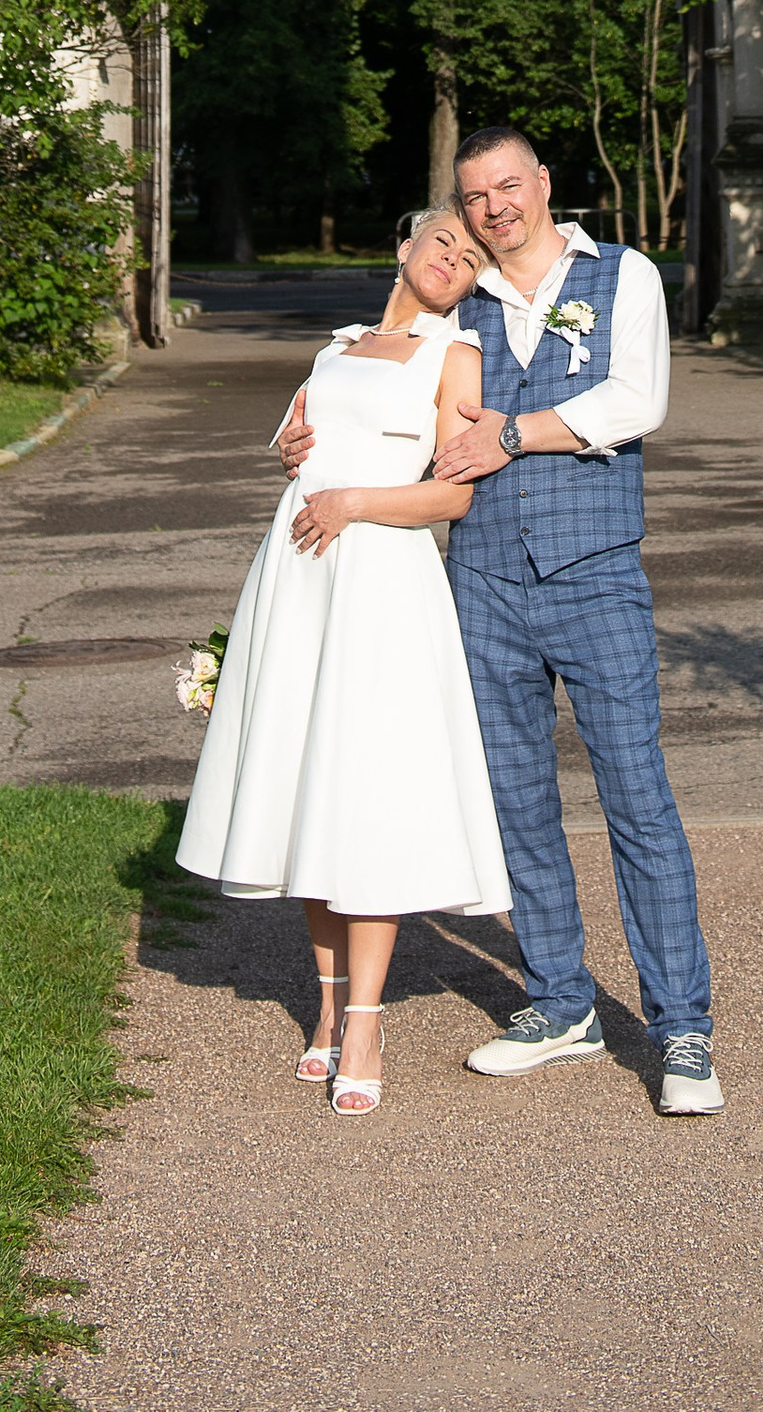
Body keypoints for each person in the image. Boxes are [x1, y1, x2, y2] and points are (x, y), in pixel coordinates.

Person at [297, 123, 721, 1117]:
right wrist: (307, 440)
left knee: (638, 799)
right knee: (516, 801)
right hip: (481, 580)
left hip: (596, 570)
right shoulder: (461, 305)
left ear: (541, 184)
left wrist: (513, 436)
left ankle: (682, 1029)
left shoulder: (623, 274)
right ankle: (561, 1003)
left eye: (507, 187)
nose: (494, 209)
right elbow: (382, 389)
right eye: (475, 197)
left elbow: (637, 399)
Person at [177, 203, 509, 1117]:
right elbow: (300, 440)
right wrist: (288, 448)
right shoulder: (338, 346)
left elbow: (454, 495)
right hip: (299, 575)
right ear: (405, 246)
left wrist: (357, 501)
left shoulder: (457, 357)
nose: (453, 257)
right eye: (443, 239)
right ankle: (325, 1010)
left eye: (472, 256)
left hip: (381, 585)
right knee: (306, 786)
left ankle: (366, 1020)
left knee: (363, 789)